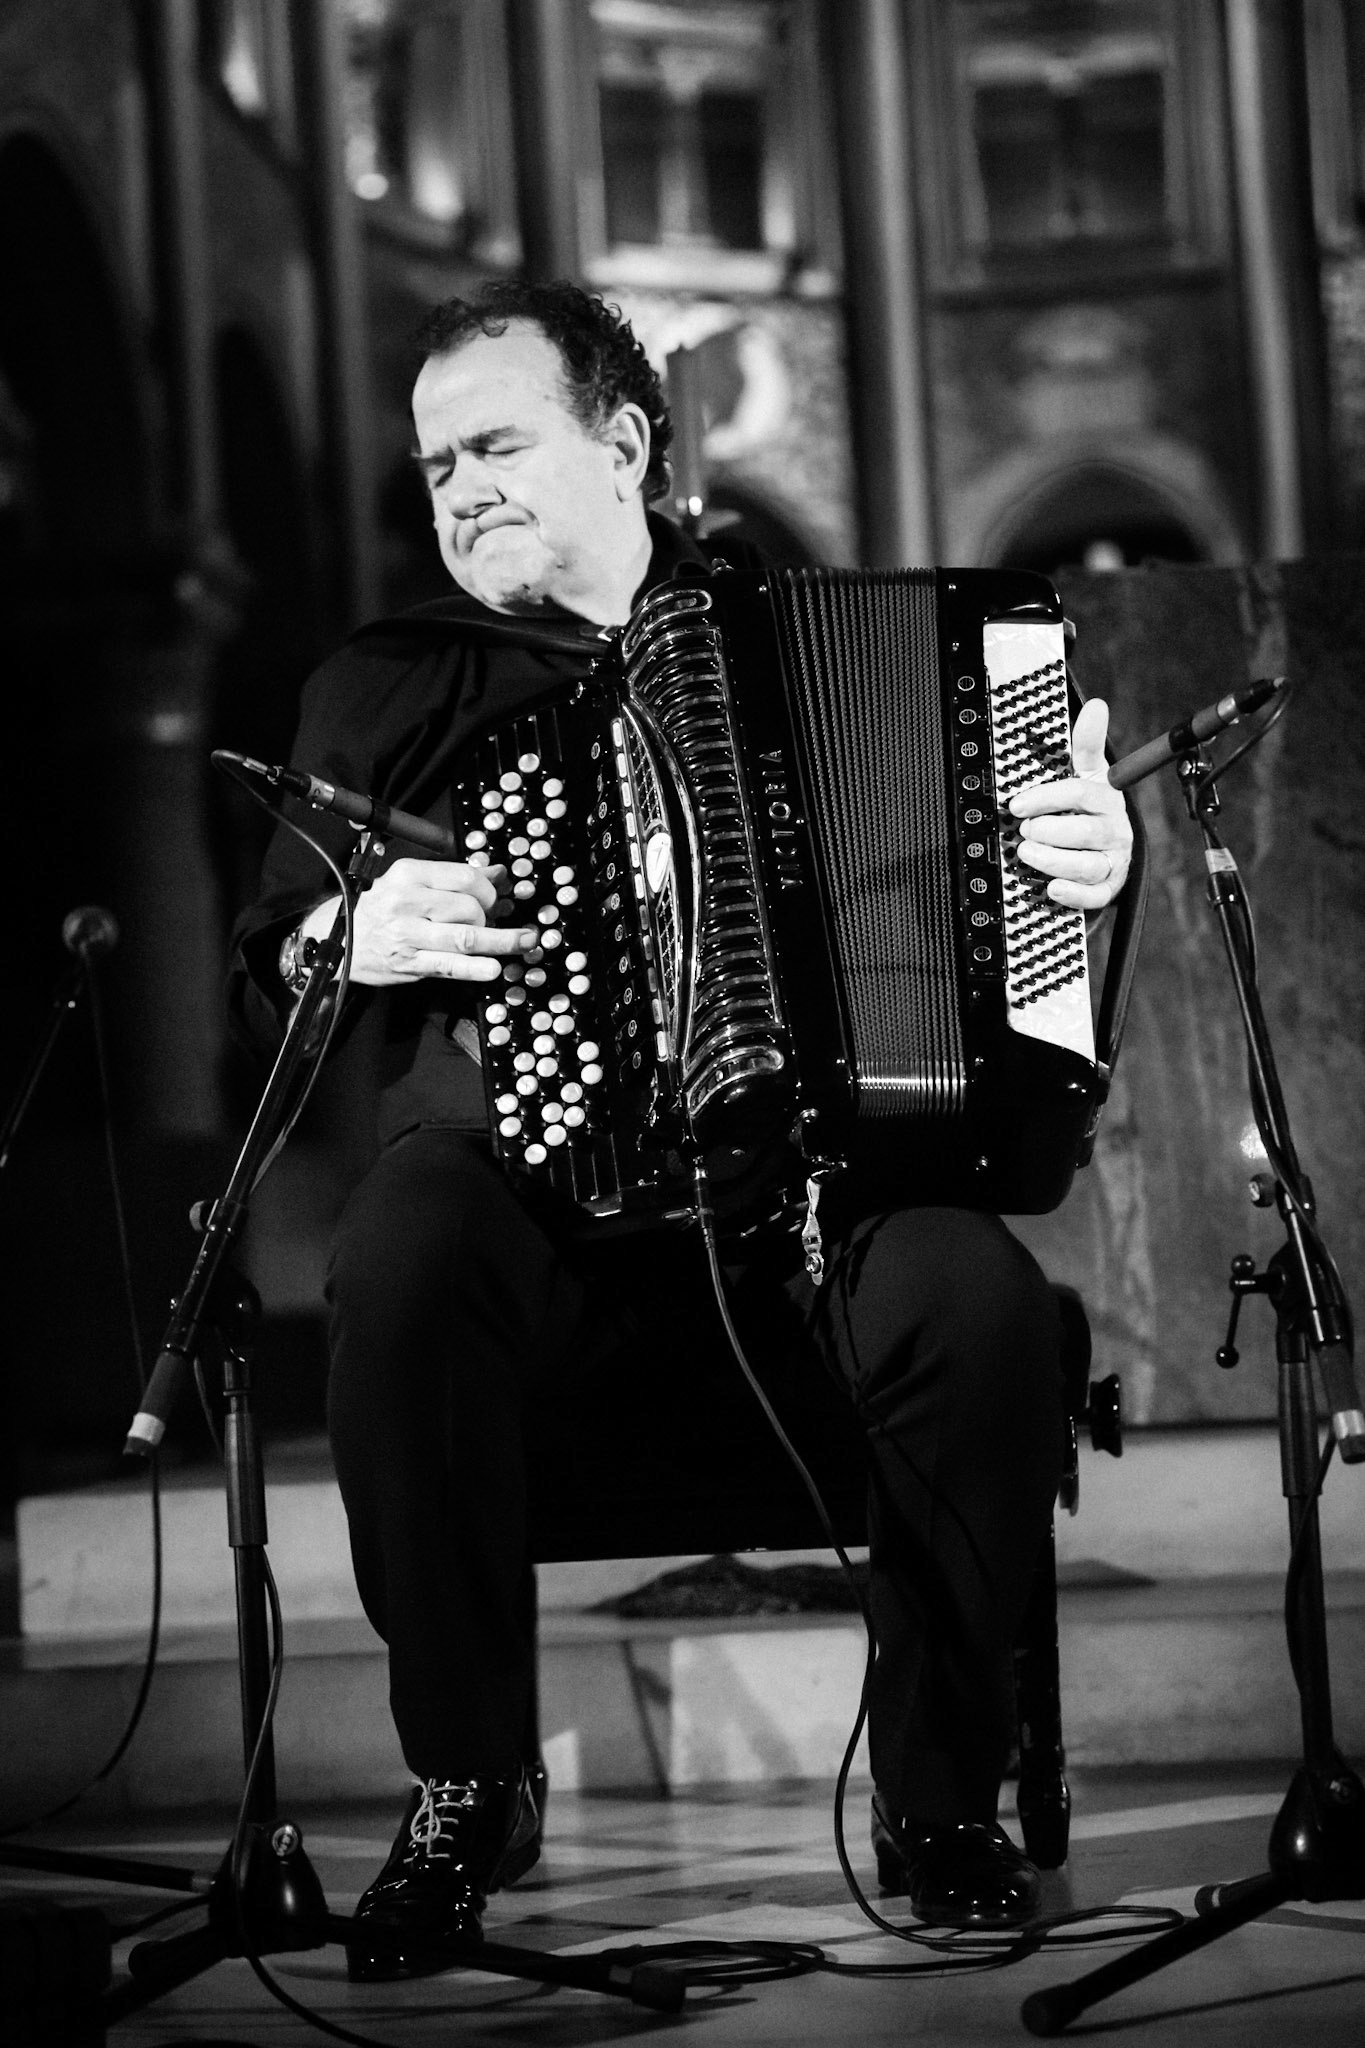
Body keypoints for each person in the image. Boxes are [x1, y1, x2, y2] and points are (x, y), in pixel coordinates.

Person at [229, 280, 1133, 1983]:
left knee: (979, 1299)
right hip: (525, 1206)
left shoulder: (816, 641)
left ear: (626, 444)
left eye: (495, 443)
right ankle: (471, 1782)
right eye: (434, 467)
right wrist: (344, 936)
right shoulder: (390, 682)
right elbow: (271, 957)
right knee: (403, 1260)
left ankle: (942, 1797)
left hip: (808, 1208)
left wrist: (1091, 868)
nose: (460, 488)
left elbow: (1007, 938)